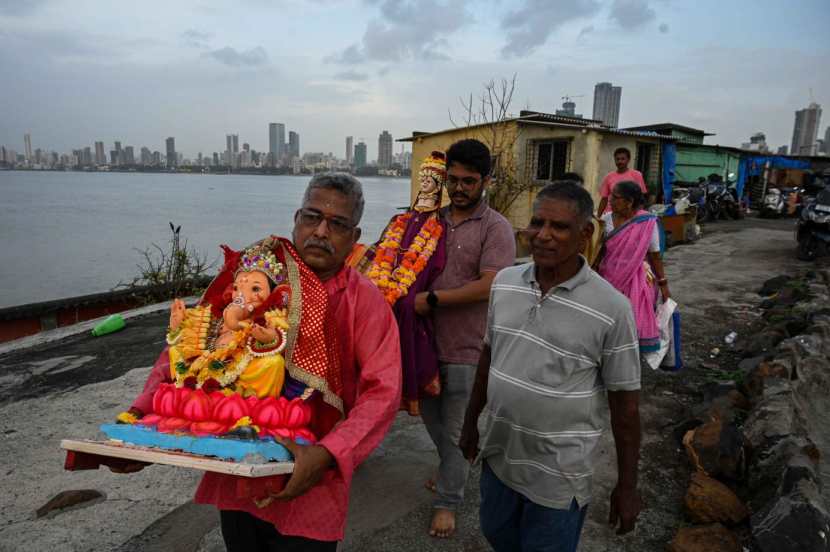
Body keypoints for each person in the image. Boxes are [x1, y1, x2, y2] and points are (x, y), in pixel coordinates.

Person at [119, 173, 403, 552]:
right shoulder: (255, 281)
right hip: (237, 467)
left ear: (354, 238)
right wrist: (141, 420)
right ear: (295, 219)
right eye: (311, 217)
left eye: (337, 224)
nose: (320, 231)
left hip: (310, 478)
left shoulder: (364, 302)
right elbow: (186, 352)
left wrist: (330, 453)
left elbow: (382, 392)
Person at [459, 181, 642, 552]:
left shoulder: (612, 309)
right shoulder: (506, 283)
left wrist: (627, 486)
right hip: (499, 458)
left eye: (558, 227)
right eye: (537, 223)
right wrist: (469, 425)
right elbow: (488, 360)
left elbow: (626, 409)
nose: (543, 236)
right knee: (497, 536)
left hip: (558, 477)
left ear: (585, 233)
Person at [413, 138, 516, 538]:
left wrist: (433, 299)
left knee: (455, 429)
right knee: (431, 420)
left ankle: (448, 502)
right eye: (452, 180)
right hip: (422, 345)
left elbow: (491, 285)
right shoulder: (429, 221)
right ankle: (452, 467)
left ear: (485, 181)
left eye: (468, 181)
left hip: (468, 347)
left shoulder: (496, 228)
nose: (458, 188)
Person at [364, 151, 448, 416]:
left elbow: (433, 260)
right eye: (421, 177)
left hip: (412, 278)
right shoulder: (400, 220)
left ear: (438, 185)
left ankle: (405, 387)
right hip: (386, 277)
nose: (423, 182)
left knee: (406, 306)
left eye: (429, 179)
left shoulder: (437, 225)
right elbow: (382, 250)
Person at [597, 180, 669, 354]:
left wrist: (663, 284)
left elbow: (655, 255)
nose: (610, 200)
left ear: (629, 202)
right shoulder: (606, 220)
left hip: (635, 279)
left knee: (631, 319)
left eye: (615, 197)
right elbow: (598, 250)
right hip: (606, 277)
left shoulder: (647, 222)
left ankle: (626, 352)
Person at [596, 147, 647, 216]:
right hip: (611, 214)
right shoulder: (609, 177)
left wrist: (638, 214)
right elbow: (604, 199)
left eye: (623, 159)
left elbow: (641, 197)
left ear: (628, 160)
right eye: (617, 159)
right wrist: (598, 217)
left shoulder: (637, 175)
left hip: (630, 214)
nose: (620, 161)